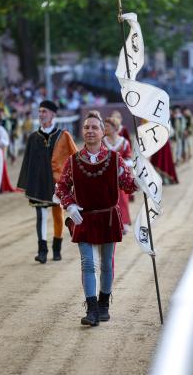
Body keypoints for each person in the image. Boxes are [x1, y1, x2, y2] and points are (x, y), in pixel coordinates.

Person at [56, 111, 139, 327]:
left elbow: (128, 185)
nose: (90, 131)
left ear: (103, 132)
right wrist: (70, 205)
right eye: (86, 127)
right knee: (88, 263)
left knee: (106, 265)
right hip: (82, 218)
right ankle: (91, 309)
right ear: (82, 132)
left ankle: (104, 305)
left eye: (94, 127)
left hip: (108, 217)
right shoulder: (73, 161)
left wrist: (141, 177)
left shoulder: (114, 159)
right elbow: (62, 186)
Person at [17, 100, 77, 264]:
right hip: (39, 185)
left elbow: (75, 157)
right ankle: (42, 251)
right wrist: (27, 183)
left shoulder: (63, 136)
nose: (41, 114)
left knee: (58, 215)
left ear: (52, 114)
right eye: (40, 111)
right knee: (41, 216)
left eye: (44, 111)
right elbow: (28, 163)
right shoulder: (33, 137)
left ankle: (56, 248)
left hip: (57, 184)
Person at [103, 116, 133, 233]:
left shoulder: (124, 142)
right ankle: (109, 223)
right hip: (105, 175)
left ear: (115, 128)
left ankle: (124, 222)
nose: (105, 128)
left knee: (122, 199)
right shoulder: (102, 141)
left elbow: (129, 158)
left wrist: (128, 175)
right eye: (105, 126)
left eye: (108, 126)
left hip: (120, 175)